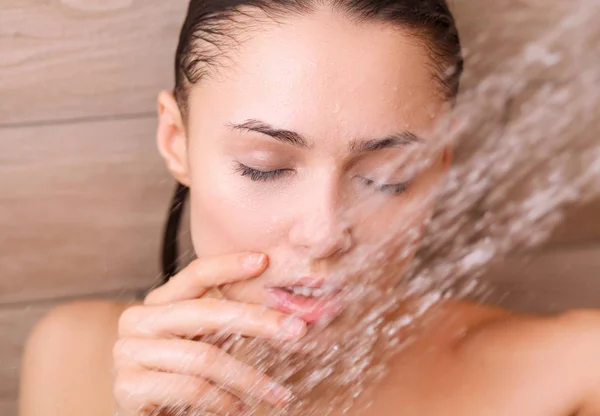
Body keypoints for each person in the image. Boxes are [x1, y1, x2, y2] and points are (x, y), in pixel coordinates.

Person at [18, 0, 600, 415]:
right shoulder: (74, 358)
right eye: (264, 167)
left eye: (384, 178)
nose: (324, 234)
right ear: (177, 142)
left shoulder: (574, 372)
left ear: (439, 170)